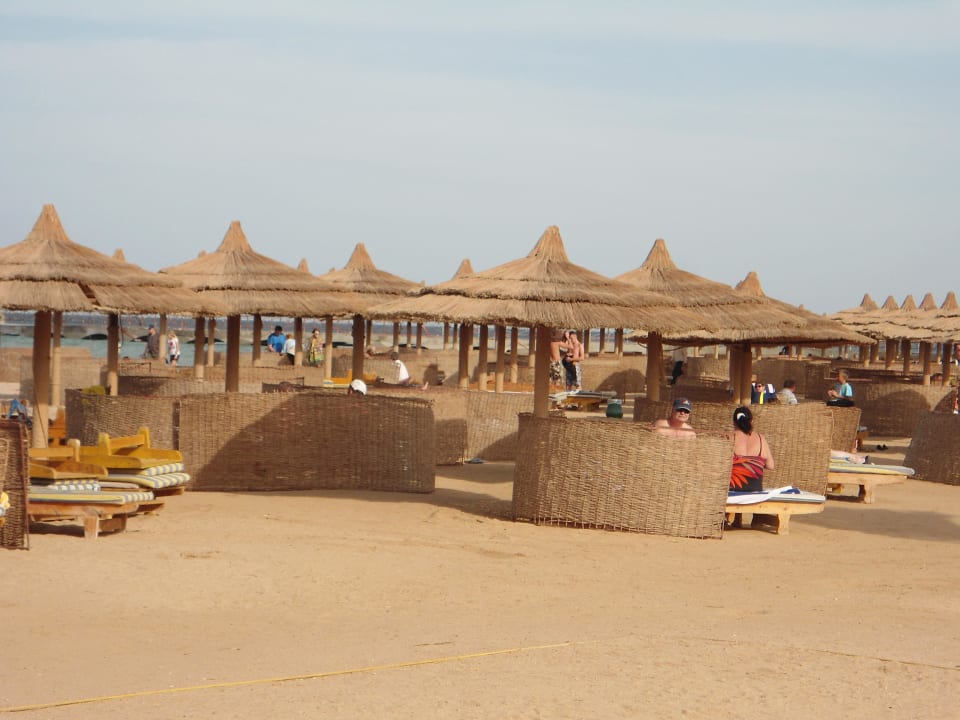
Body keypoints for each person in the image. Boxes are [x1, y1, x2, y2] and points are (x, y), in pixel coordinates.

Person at [730, 406, 775, 492]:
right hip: (755, 491)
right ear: (751, 421)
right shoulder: (761, 439)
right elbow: (770, 466)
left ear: (734, 423)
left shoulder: (729, 437)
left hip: (733, 490)